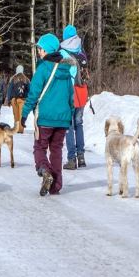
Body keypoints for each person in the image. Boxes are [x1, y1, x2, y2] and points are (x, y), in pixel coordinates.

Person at [21, 33, 75, 196]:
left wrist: (24, 115)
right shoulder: (66, 70)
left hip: (45, 118)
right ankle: (55, 187)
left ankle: (45, 170)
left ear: (47, 50)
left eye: (41, 48)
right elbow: (70, 96)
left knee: (40, 147)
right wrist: (69, 115)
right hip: (62, 119)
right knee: (57, 150)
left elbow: (34, 93)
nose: (39, 51)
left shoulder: (43, 68)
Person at [60, 24, 90, 170]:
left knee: (69, 125)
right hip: (82, 91)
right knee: (79, 124)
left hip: (69, 92)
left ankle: (71, 159)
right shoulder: (81, 49)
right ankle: (81, 157)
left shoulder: (63, 52)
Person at [4, 65, 30, 133]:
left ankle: (16, 128)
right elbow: (29, 90)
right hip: (23, 100)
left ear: (16, 70)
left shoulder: (13, 79)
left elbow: (9, 90)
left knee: (16, 114)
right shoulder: (26, 79)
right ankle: (21, 129)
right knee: (21, 114)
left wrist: (9, 100)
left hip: (14, 100)